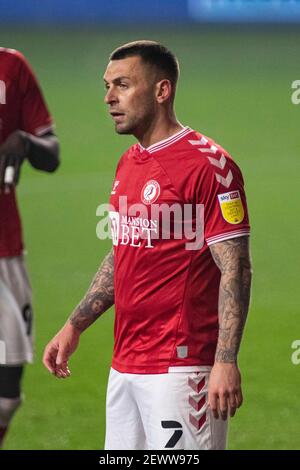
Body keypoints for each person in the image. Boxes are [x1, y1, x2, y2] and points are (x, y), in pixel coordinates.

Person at [43, 40, 252, 450]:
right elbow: (124, 249)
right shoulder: (129, 162)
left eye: (122, 85)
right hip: (125, 366)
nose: (108, 98)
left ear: (162, 91)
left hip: (181, 369)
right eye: (106, 86)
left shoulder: (210, 166)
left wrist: (225, 361)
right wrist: (75, 324)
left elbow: (236, 267)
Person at [0, 47, 60, 447]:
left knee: (6, 396)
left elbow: (51, 153)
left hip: (6, 248)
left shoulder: (12, 67)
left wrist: (24, 142)